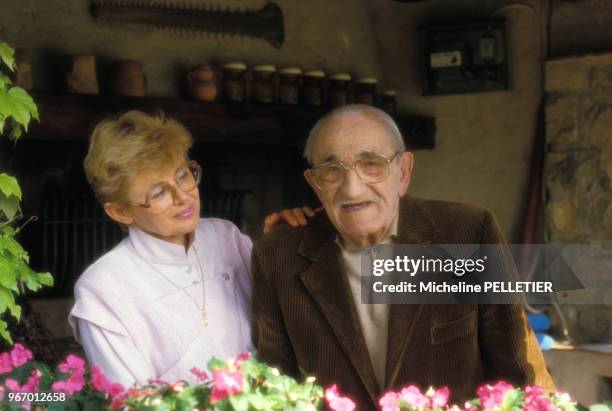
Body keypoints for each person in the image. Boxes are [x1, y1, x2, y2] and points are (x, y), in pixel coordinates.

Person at [251, 105, 555, 409]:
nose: (353, 189)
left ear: (404, 171)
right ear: (315, 183)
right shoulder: (278, 255)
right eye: (332, 170)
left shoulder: (469, 232)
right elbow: (277, 383)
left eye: (371, 163)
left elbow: (516, 372)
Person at [68, 110, 311, 387]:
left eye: (183, 175)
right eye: (158, 192)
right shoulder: (103, 288)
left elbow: (280, 324)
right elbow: (129, 401)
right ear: (120, 211)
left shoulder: (225, 235)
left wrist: (283, 247)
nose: (183, 196)